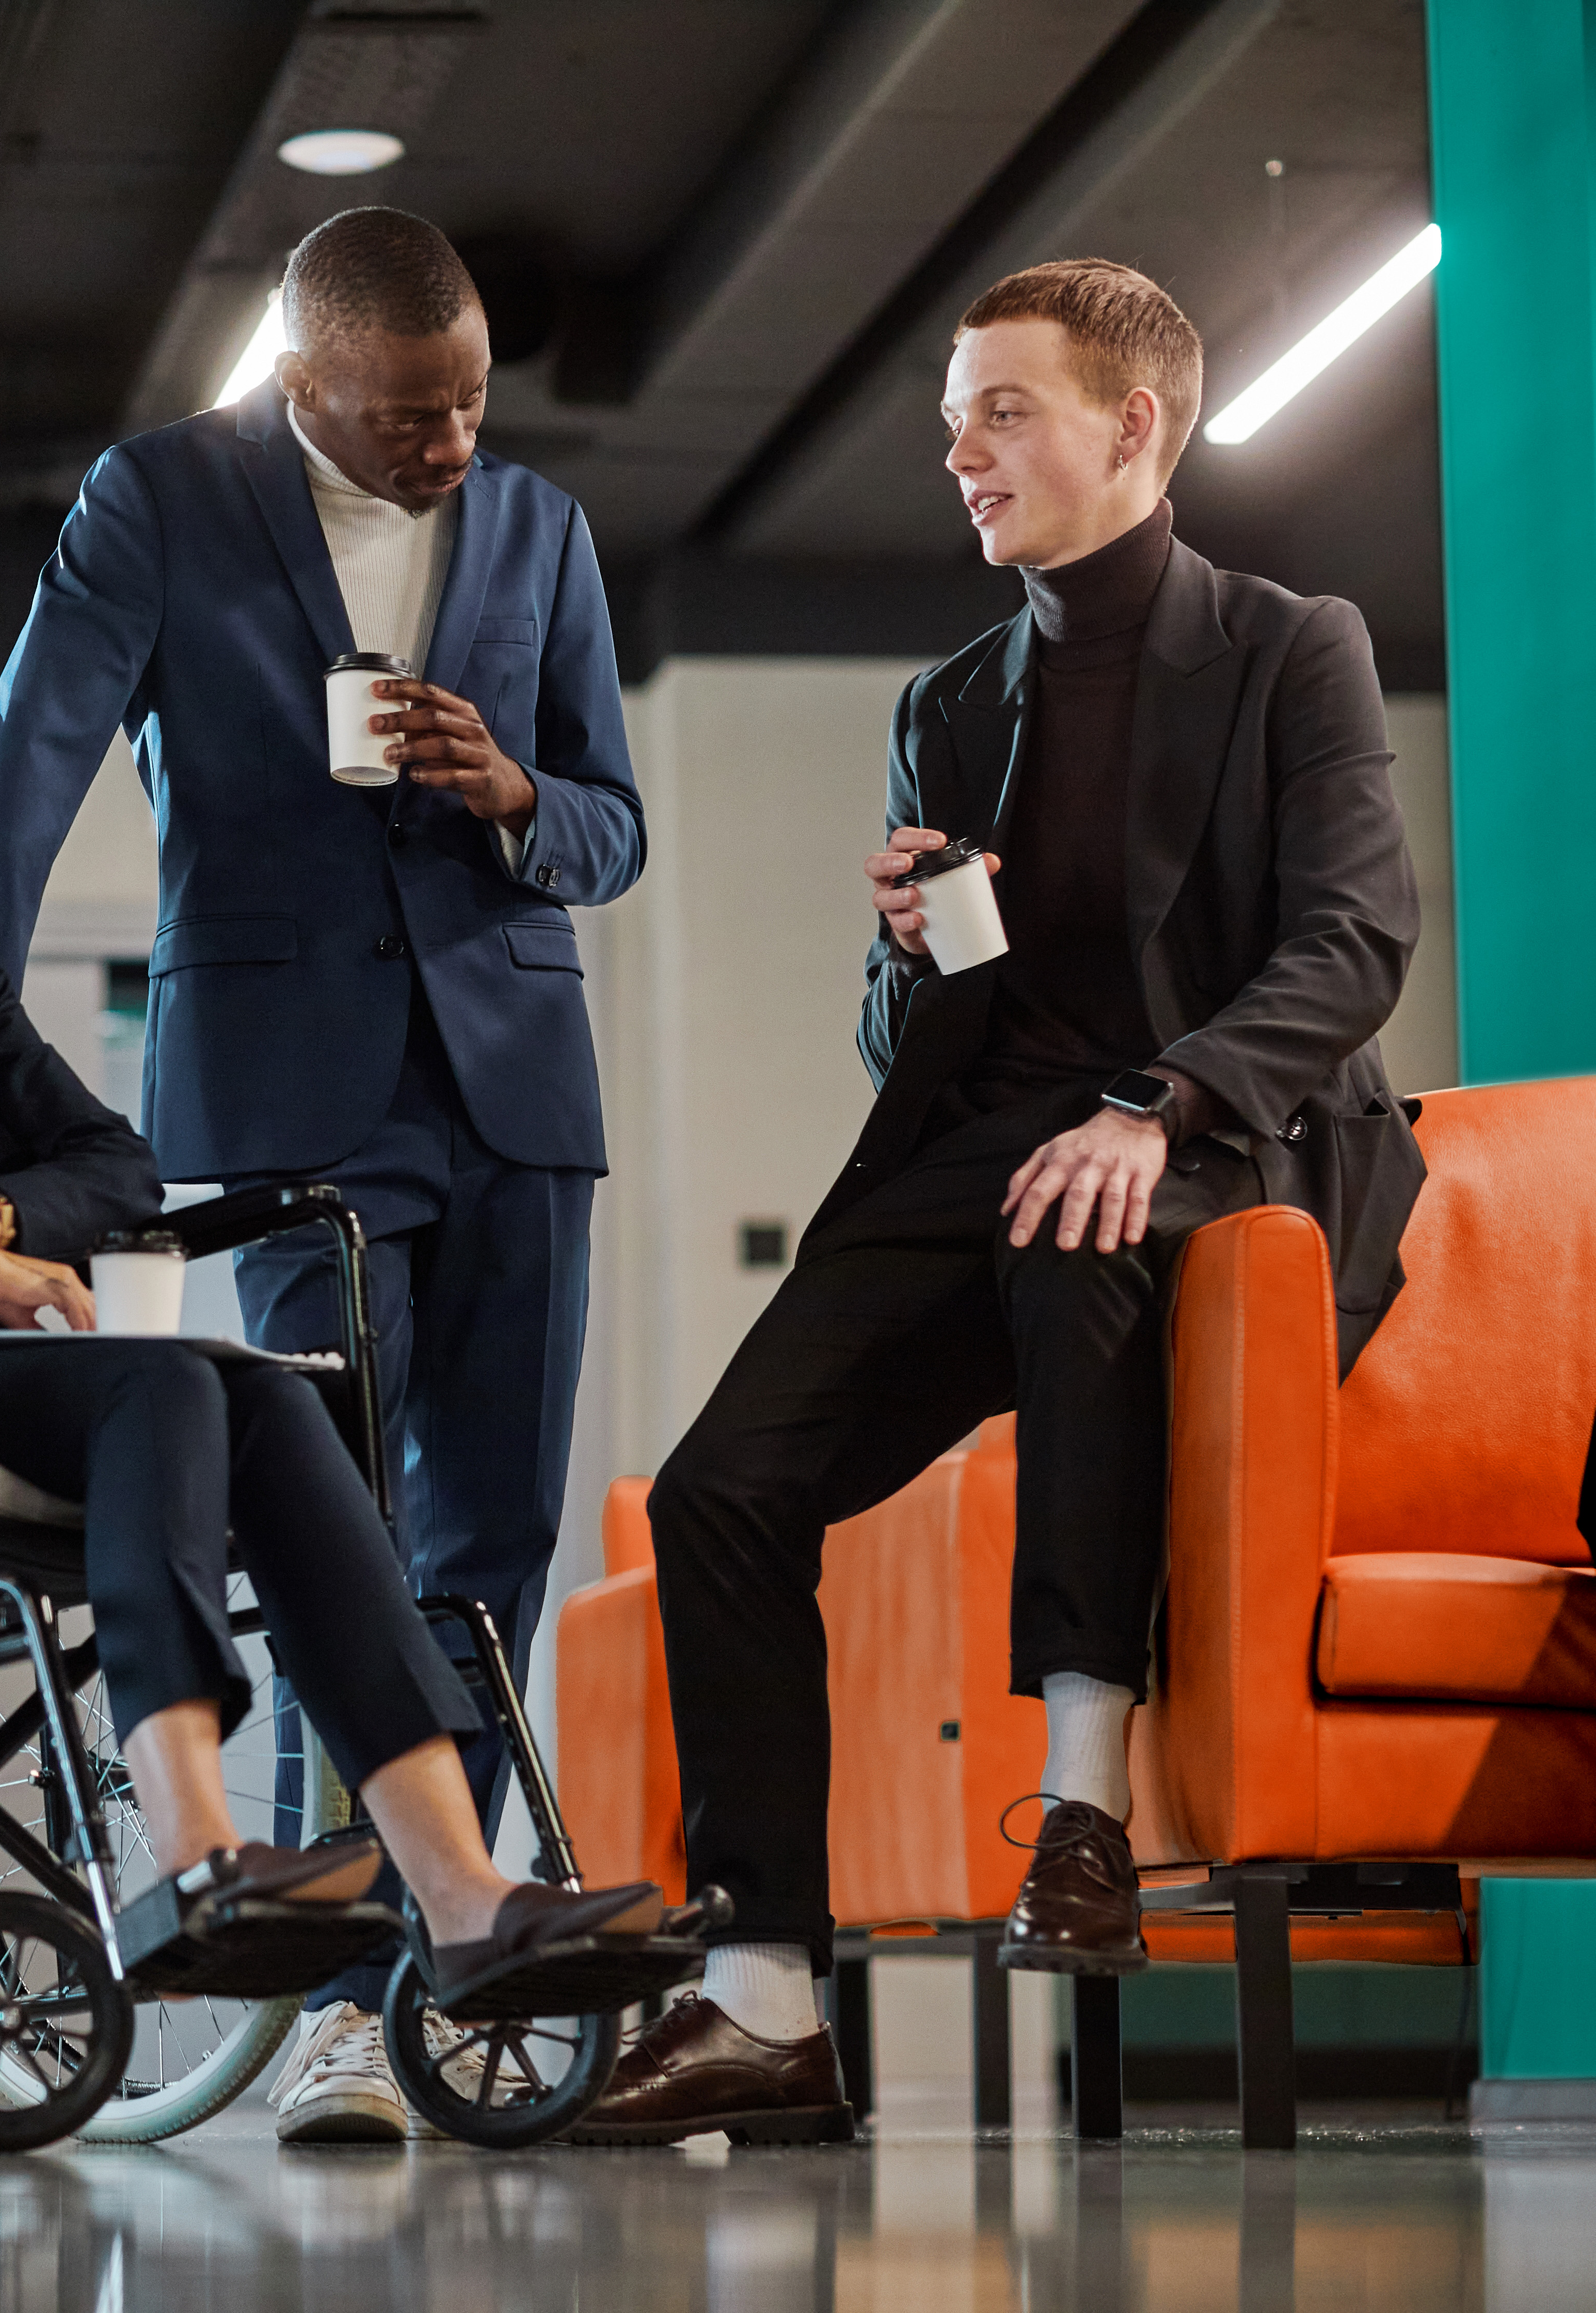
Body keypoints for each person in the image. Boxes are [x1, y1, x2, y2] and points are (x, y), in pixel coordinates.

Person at [571, 260, 1422, 2146]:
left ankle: (1086, 1815)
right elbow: (917, 1048)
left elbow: (1355, 941)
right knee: (725, 1492)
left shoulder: (1291, 646)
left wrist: (1159, 1096)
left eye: (1001, 412)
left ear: (1136, 425)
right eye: (954, 419)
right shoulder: (954, 701)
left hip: (1217, 1143)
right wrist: (908, 946)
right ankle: (767, 2000)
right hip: (988, 1149)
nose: (959, 453)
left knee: (1085, 1231)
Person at [0, 583, 658, 2003]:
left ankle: (458, 1893)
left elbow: (117, 1165)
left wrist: (7, 1213)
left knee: (259, 1400)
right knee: (164, 1378)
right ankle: (190, 1851)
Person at [0, 207, 643, 2140]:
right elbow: (26, 766)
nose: (452, 444)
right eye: (412, 414)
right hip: (285, 1098)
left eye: (474, 403)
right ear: (306, 379)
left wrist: (515, 798)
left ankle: (448, 1947)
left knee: (492, 1536)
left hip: (517, 1083)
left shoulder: (543, 533)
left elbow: (613, 825)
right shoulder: (161, 500)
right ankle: (345, 2005)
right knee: (345, 1528)